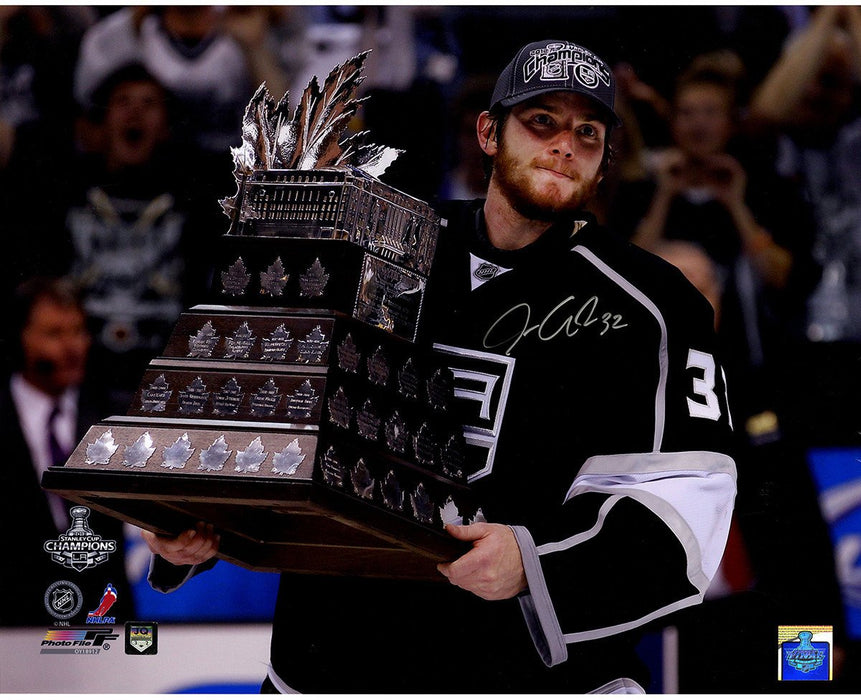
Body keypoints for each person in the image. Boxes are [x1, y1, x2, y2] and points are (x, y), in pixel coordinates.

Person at [143, 39, 736, 693]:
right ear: (487, 131)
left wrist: (537, 565)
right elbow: (275, 415)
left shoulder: (653, 304)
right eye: (541, 122)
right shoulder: (373, 247)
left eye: (587, 133)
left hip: (519, 675)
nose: (564, 145)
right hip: (335, 663)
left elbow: (686, 505)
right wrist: (195, 526)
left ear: (602, 163)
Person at [0, 276, 135, 626]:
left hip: (104, 620)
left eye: (78, 332)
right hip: (13, 624)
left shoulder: (115, 418)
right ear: (20, 338)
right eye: (54, 334)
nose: (73, 347)